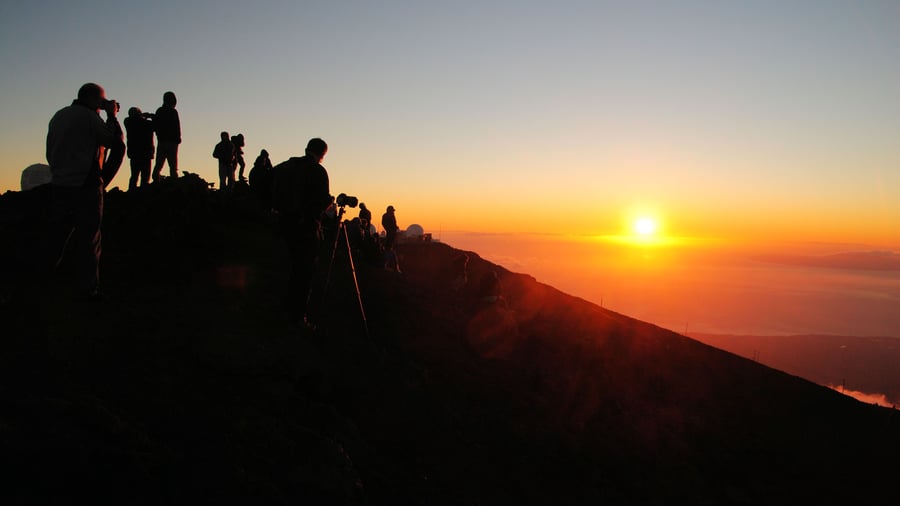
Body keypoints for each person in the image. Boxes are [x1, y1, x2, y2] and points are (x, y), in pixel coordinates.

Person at [44, 82, 125, 299]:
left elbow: (49, 150)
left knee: (56, 237)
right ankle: (88, 290)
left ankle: (43, 281)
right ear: (95, 100)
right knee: (89, 238)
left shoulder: (59, 116)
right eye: (102, 101)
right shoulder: (90, 118)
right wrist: (112, 116)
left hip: (60, 184)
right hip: (85, 186)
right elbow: (115, 142)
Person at [271, 138, 331, 327]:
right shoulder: (317, 171)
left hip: (284, 225)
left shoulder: (285, 167)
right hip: (306, 228)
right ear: (322, 154)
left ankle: (283, 310)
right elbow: (320, 202)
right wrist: (327, 202)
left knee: (289, 267)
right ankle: (298, 317)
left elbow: (268, 186)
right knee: (304, 272)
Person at [151, 91, 181, 181]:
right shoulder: (173, 111)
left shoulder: (159, 111)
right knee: (173, 165)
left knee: (159, 163)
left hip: (162, 140)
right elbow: (176, 126)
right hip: (172, 141)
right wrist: (178, 138)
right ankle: (174, 181)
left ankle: (156, 179)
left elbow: (155, 126)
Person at [123, 107, 155, 190]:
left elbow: (128, 120)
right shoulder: (146, 124)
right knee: (145, 178)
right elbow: (156, 125)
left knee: (134, 176)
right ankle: (142, 196)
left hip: (134, 154)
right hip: (146, 153)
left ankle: (131, 194)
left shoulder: (128, 123)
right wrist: (150, 116)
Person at [381, 205, 401, 272]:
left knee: (389, 245)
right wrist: (390, 229)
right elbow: (386, 223)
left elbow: (385, 223)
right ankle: (387, 263)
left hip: (391, 232)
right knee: (389, 246)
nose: (393, 212)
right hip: (391, 233)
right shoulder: (389, 216)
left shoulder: (388, 215)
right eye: (392, 211)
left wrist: (393, 228)